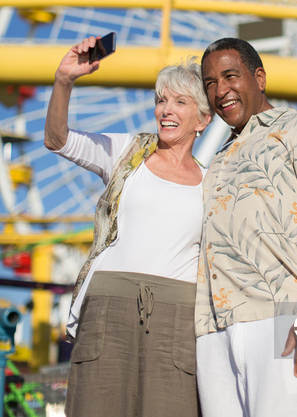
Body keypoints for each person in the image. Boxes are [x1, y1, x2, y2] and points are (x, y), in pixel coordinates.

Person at [44, 36, 212, 417]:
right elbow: (57, 140)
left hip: (177, 314)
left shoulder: (212, 182)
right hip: (109, 305)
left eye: (180, 102)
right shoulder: (127, 152)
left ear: (204, 119)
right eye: (160, 100)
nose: (165, 110)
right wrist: (64, 80)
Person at [195, 37, 297, 417]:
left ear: (260, 78)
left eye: (230, 76)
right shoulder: (215, 162)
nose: (220, 91)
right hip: (213, 332)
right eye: (209, 83)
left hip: (283, 319)